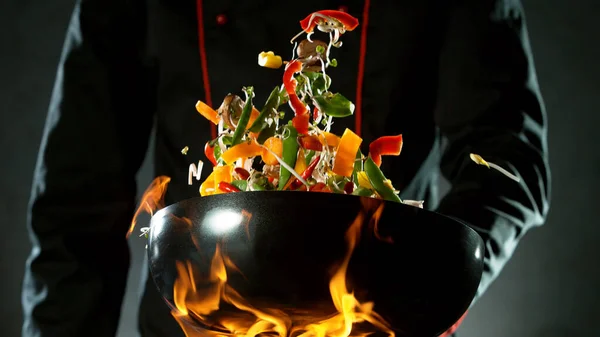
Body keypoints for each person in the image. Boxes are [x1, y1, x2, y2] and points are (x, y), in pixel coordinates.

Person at [21, 0, 550, 336]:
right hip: (193, 324)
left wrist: (427, 291)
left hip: (376, 322)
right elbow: (76, 202)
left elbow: (508, 154)